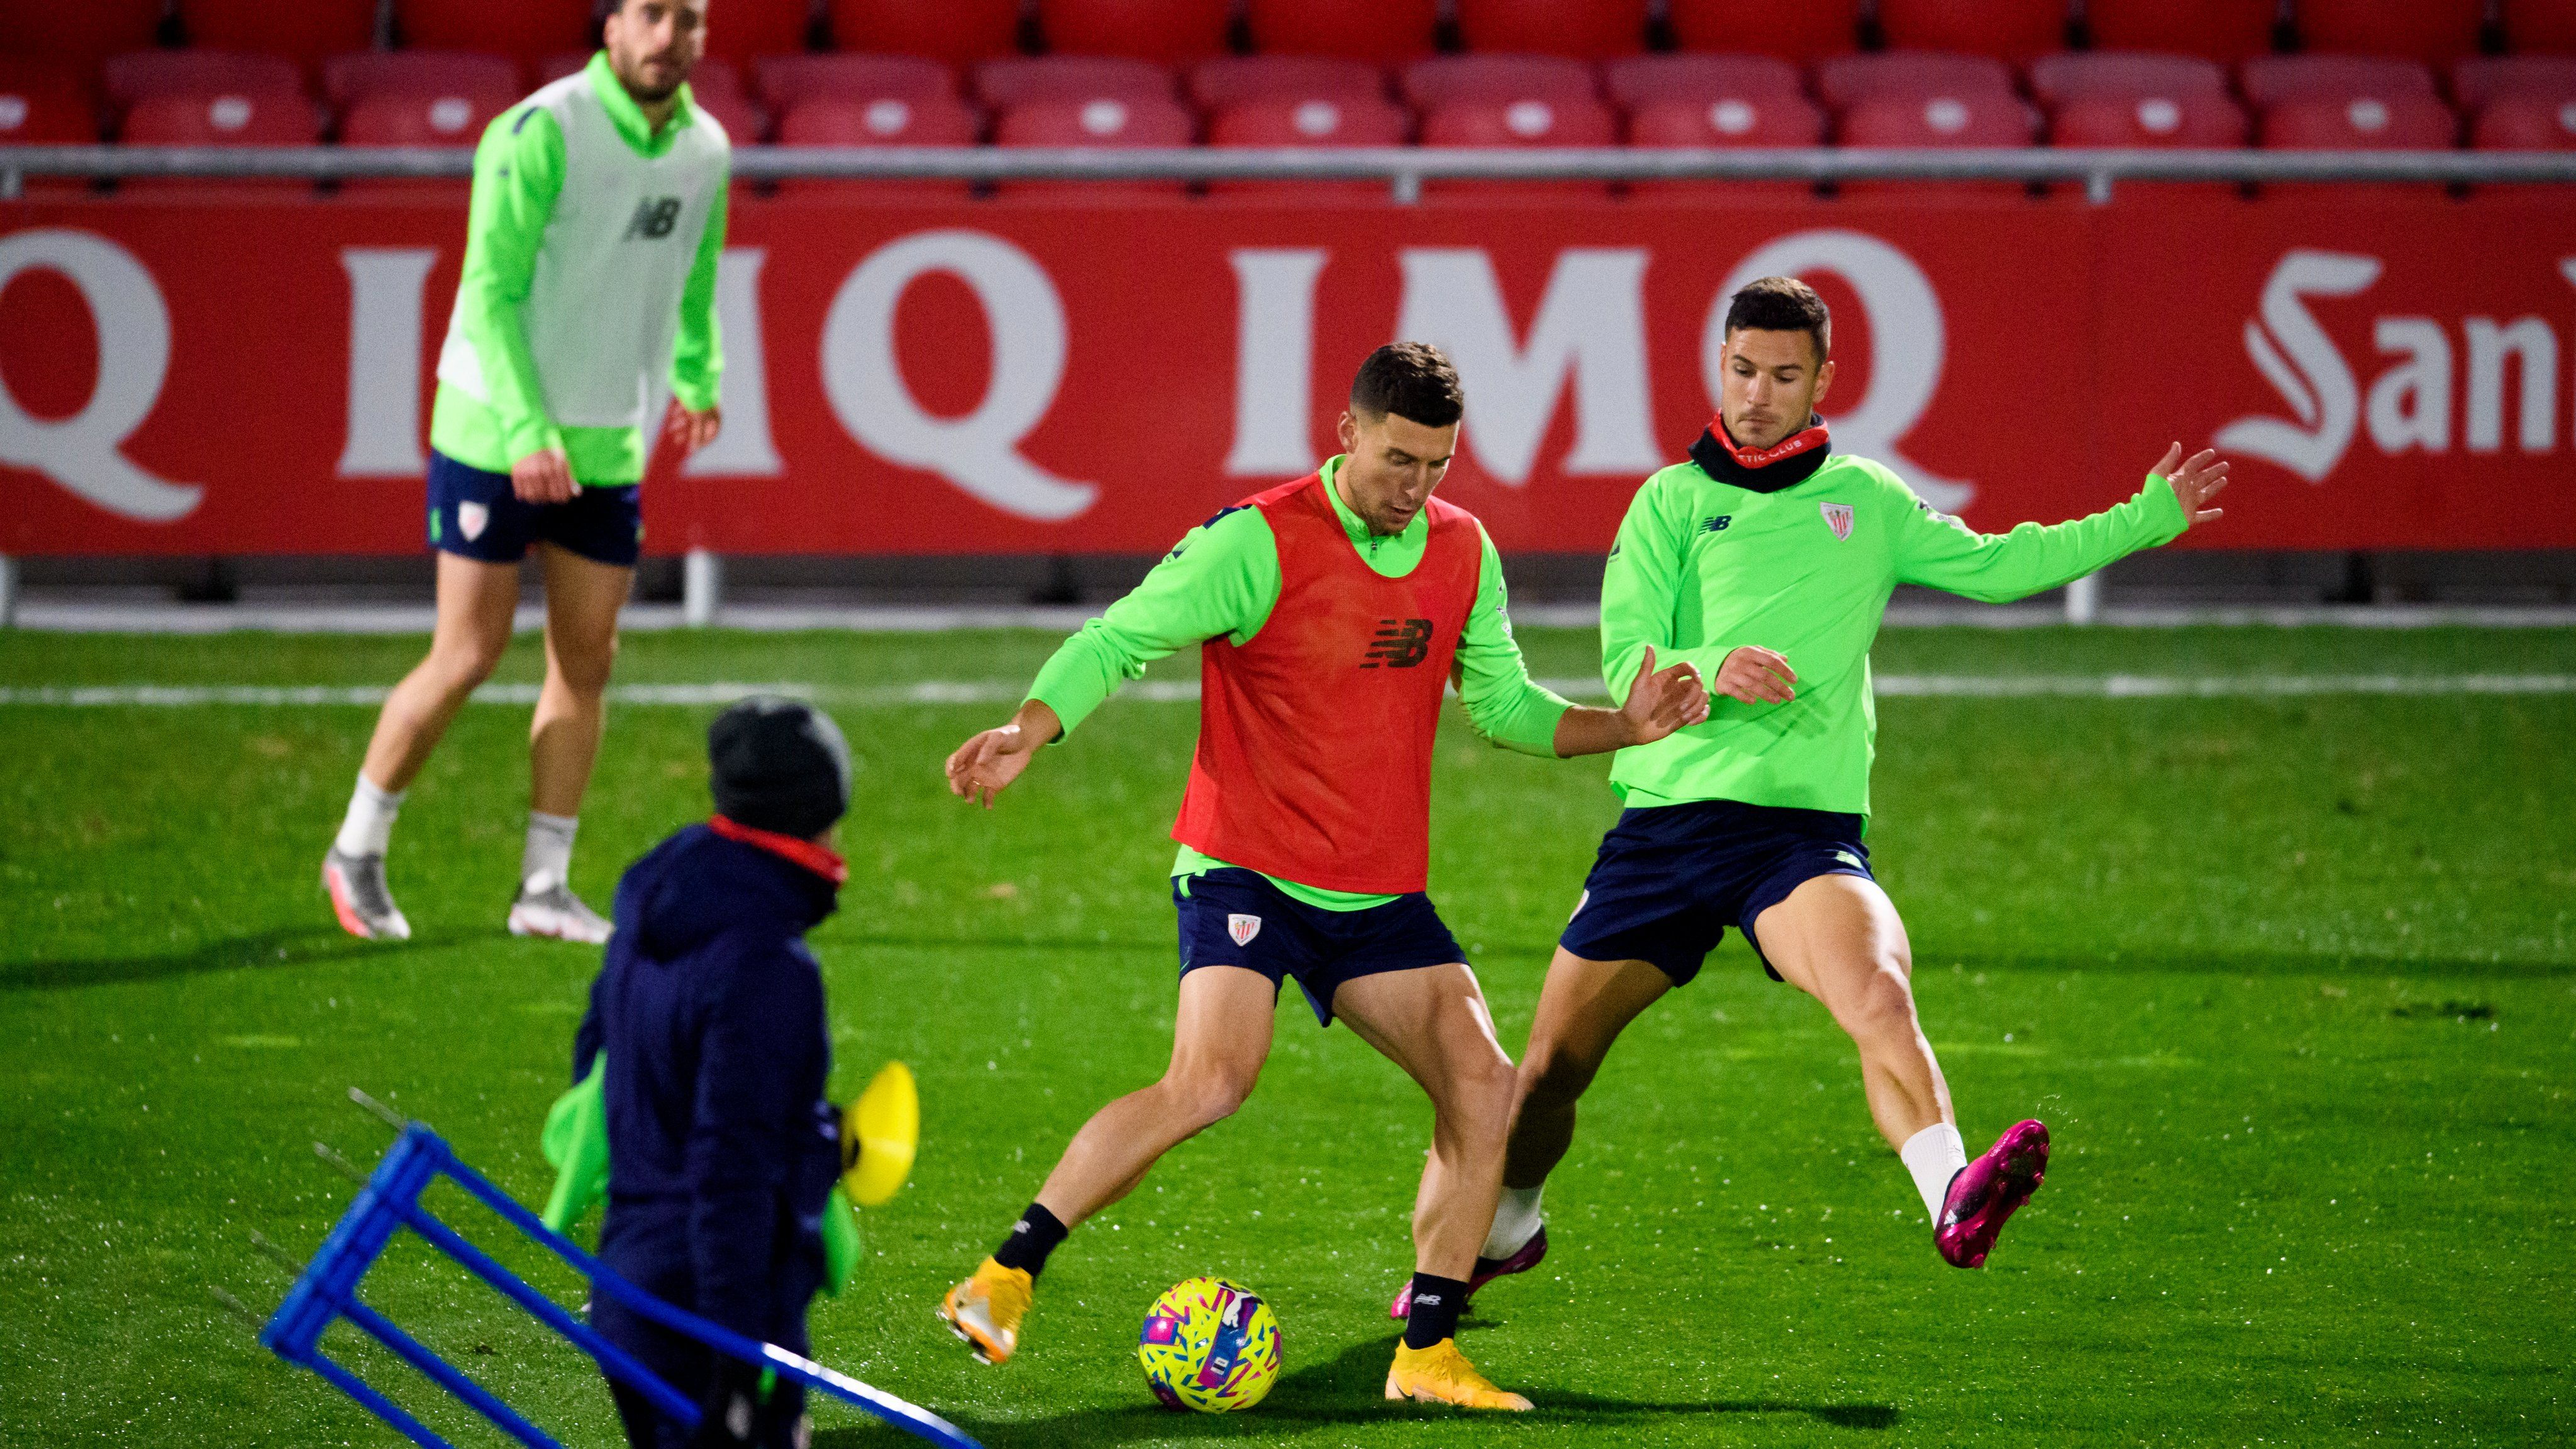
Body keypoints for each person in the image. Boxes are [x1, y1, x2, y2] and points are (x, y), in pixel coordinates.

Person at [934, 344, 1710, 1411]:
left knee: (1485, 1089)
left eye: (1437, 464)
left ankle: (1426, 1352)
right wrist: (1032, 725)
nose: (1416, 486)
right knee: (1210, 1080)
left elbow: (1505, 707)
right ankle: (1001, 1275)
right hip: (1244, 869)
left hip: (1376, 891)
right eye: (1398, 458)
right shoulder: (1257, 542)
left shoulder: (1461, 550)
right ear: (1346, 433)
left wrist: (1621, 723)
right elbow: (1119, 637)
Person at [1435, 276, 2231, 1314]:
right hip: (1667, 829)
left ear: (1823, 380)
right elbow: (1628, 654)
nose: (1757, 392)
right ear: (1720, 365)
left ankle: (1950, 1187)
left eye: (1781, 374)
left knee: (1878, 990)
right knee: (1544, 1075)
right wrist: (1713, 663)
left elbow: (1996, 566)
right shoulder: (1670, 502)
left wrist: (2143, 518)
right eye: (1741, 369)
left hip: (1798, 836)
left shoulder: (1871, 502)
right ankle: (1509, 1224)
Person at [323, 0, 729, 945]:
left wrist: (698, 373)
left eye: (691, 20)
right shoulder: (542, 131)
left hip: (604, 440)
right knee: (467, 652)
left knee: (587, 662)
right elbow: (488, 290)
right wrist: (523, 427)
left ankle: (542, 889)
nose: (671, 37)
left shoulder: (705, 147)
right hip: (493, 431)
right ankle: (357, 848)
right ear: (613, 26)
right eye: (653, 15)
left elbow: (696, 271)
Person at [577, 696, 853, 1449]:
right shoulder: (771, 968)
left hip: (630, 1283)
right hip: (703, 1310)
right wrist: (741, 1359)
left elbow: (594, 1063)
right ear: (820, 810)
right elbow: (729, 1165)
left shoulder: (655, 903)